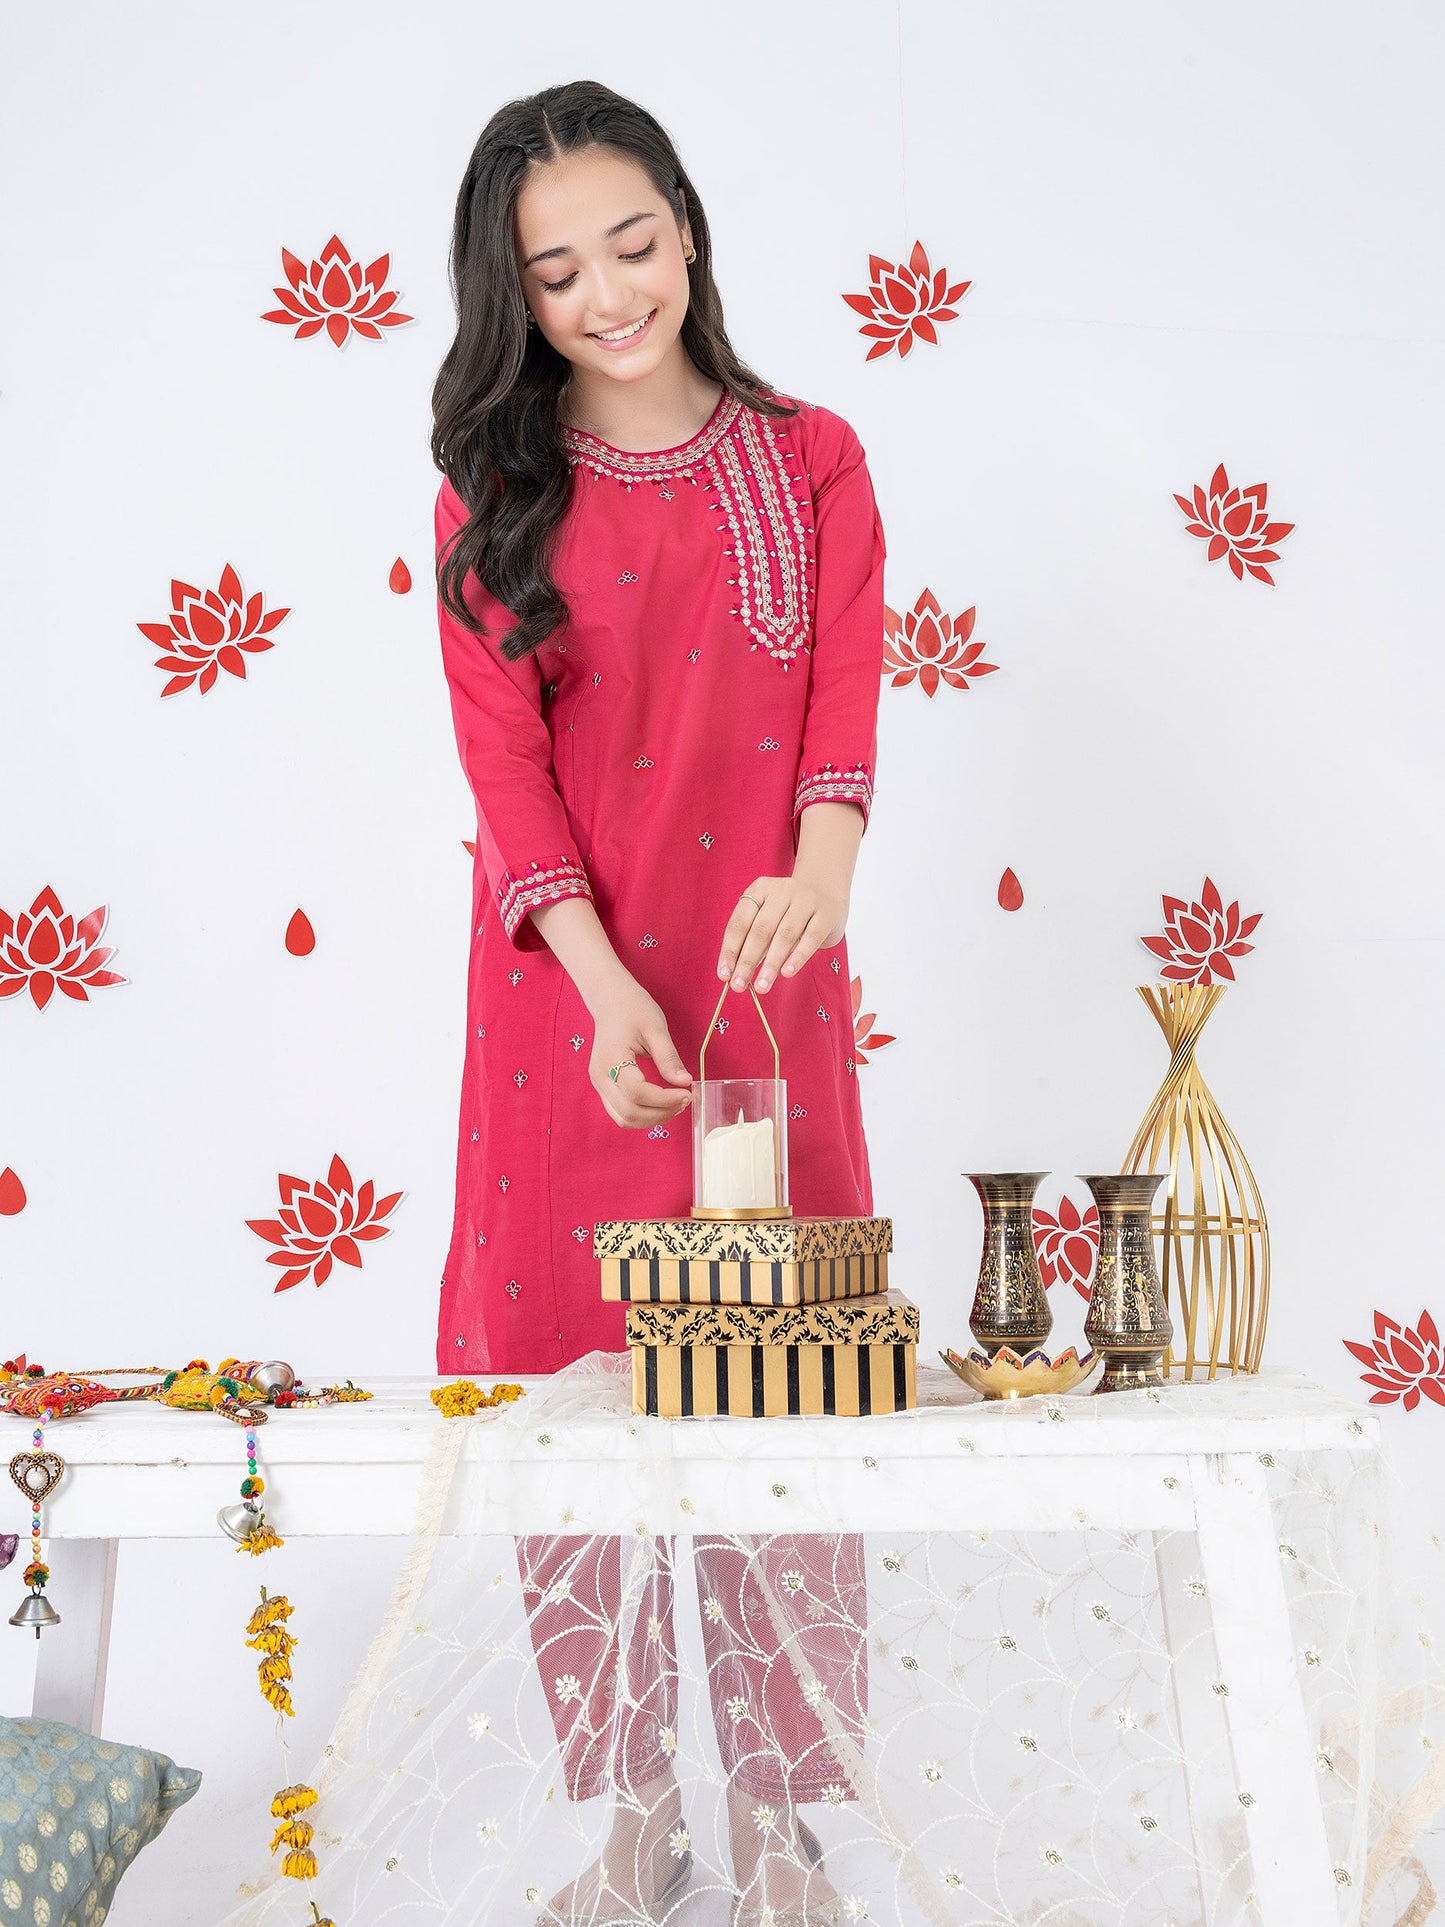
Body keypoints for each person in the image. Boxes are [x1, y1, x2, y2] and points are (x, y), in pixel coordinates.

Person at [431, 79, 886, 1927]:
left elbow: (843, 693)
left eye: (631, 244)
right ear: (514, 297)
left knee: (781, 1392)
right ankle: (631, 1823)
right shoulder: (494, 496)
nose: (606, 295)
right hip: (575, 1006)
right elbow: (503, 770)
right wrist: (602, 981)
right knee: (573, 1402)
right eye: (556, 274)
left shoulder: (812, 457)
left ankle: (777, 1823)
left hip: (768, 985)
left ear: (686, 229)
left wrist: (824, 875)